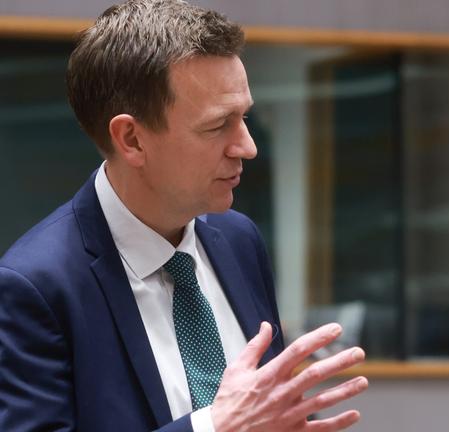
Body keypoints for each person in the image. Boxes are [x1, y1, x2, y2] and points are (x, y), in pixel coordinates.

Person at [0, 1, 368, 431]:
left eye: (244, 116)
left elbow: (261, 412)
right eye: (218, 125)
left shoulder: (238, 239)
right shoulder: (33, 288)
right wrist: (214, 427)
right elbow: (234, 420)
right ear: (132, 139)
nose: (247, 146)